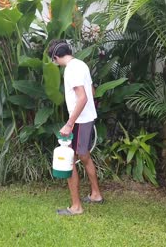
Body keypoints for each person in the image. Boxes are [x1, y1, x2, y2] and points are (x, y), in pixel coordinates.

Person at [48, 39, 104, 215]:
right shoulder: (81, 64)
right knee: (84, 156)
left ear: (56, 57)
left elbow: (83, 97)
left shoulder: (71, 70)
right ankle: (96, 194)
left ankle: (76, 206)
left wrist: (69, 123)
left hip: (79, 121)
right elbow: (92, 91)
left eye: (53, 60)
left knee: (70, 160)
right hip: (86, 118)